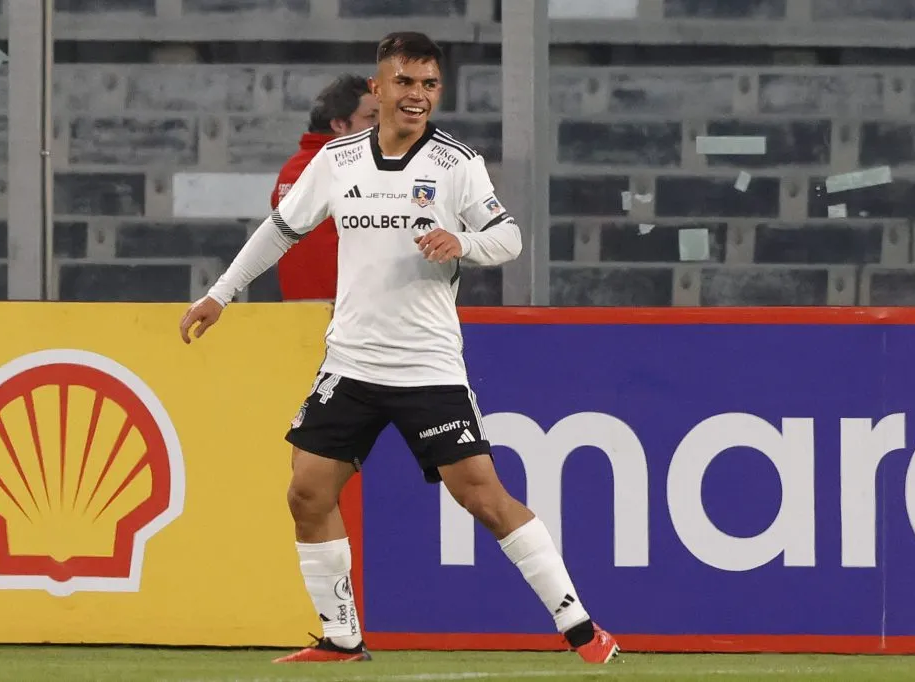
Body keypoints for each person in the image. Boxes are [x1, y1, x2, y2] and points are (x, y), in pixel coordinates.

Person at [179, 31, 620, 666]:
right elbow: (280, 232)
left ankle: (581, 629)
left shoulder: (456, 164)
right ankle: (341, 638)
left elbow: (510, 239)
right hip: (351, 362)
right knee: (306, 492)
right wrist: (219, 294)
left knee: (482, 496)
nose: (417, 96)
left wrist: (460, 242)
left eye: (429, 85)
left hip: (426, 364)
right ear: (378, 86)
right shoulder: (336, 159)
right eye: (406, 82)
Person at [271, 74, 379, 301]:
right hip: (347, 316)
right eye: (371, 117)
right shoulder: (347, 170)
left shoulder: (290, 170)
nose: (380, 126)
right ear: (339, 124)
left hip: (298, 314)